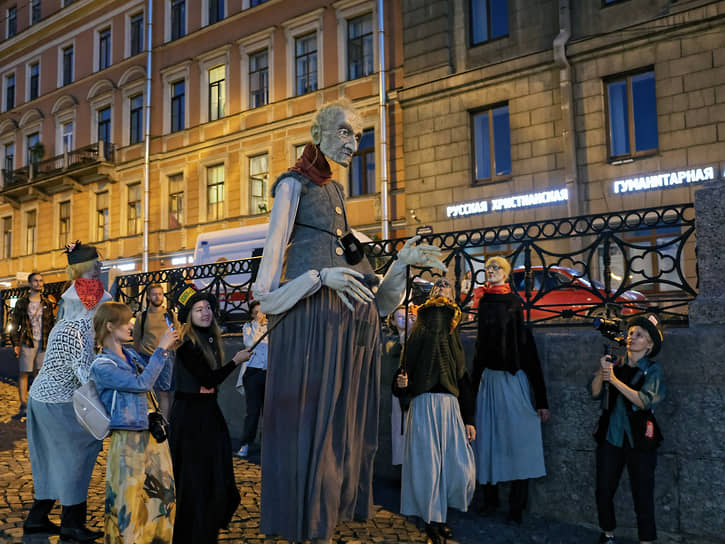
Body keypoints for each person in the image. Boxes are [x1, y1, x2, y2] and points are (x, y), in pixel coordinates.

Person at [252, 98, 445, 544]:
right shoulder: (291, 185)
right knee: (311, 427)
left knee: (340, 428)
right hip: (310, 330)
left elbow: (374, 302)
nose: (353, 144)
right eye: (343, 132)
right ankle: (306, 523)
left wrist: (398, 266)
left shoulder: (338, 194)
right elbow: (265, 295)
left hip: (348, 331)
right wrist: (320, 278)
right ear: (317, 133)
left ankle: (325, 518)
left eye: (357, 136)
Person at [24, 241, 111, 542]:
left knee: (50, 459)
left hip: (45, 398)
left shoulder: (69, 323)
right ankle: (72, 523)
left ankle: (37, 518)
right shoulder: (77, 329)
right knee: (78, 455)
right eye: (96, 264)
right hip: (57, 401)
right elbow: (84, 374)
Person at [393, 278, 476, 544]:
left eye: (446, 286)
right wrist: (401, 384)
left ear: (453, 295)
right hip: (424, 402)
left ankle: (439, 517)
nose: (441, 288)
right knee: (428, 466)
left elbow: (462, 376)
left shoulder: (453, 328)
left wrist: (469, 419)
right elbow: (405, 368)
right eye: (437, 286)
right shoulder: (422, 325)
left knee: (455, 466)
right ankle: (433, 520)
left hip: (450, 406)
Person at [90, 301, 178, 543]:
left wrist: (167, 352)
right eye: (125, 323)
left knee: (159, 498)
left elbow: (158, 383)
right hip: (128, 439)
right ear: (109, 326)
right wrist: (160, 350)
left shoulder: (130, 355)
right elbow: (141, 384)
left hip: (151, 435)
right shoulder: (102, 365)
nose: (131, 326)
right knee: (127, 501)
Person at [472, 256, 550, 524]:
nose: (490, 272)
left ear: (505, 274)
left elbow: (525, 346)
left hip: (511, 378)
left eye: (495, 268)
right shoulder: (483, 302)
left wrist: (541, 400)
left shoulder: (514, 303)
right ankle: (490, 499)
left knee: (519, 440)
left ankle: (518, 504)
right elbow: (482, 347)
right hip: (489, 380)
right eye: (487, 269)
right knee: (488, 440)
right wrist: (474, 385)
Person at [169, 285, 250, 544]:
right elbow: (208, 378)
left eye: (207, 308)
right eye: (198, 309)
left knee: (213, 473)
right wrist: (236, 362)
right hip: (191, 420)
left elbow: (210, 384)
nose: (205, 313)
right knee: (195, 476)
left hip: (207, 414)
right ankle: (193, 530)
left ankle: (207, 524)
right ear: (189, 315)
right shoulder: (187, 345)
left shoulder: (211, 339)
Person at [589, 314, 665, 544]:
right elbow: (594, 392)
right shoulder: (615, 363)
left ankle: (646, 540)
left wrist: (613, 380)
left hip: (639, 439)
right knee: (603, 489)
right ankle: (607, 533)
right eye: (631, 333)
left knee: (642, 493)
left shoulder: (652, 370)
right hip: (611, 436)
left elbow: (644, 401)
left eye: (639, 335)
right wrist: (602, 373)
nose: (633, 337)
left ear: (649, 344)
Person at [9, 272, 56, 420]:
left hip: (43, 342)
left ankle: (35, 404)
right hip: (27, 342)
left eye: (41, 281)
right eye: (35, 281)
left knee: (39, 374)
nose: (39, 283)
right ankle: (23, 405)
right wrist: (16, 343)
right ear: (30, 284)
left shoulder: (47, 303)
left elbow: (51, 325)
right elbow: (15, 324)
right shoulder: (22, 303)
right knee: (24, 373)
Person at [133, 283, 176, 419]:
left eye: (160, 294)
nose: (157, 297)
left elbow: (177, 334)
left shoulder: (170, 314)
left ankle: (164, 423)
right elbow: (136, 339)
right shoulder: (142, 316)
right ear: (149, 296)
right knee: (148, 393)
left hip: (165, 358)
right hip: (146, 357)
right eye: (154, 294)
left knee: (164, 392)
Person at [234, 299, 268, 458]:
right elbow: (249, 343)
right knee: (253, 411)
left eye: (261, 312)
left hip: (269, 371)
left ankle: (267, 444)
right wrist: (257, 325)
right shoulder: (248, 327)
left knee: (269, 412)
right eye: (255, 313)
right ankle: (245, 443)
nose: (258, 315)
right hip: (253, 372)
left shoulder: (271, 326)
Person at [385, 304, 417, 466]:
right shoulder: (395, 341)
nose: (404, 320)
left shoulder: (413, 339)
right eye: (399, 317)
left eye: (406, 317)